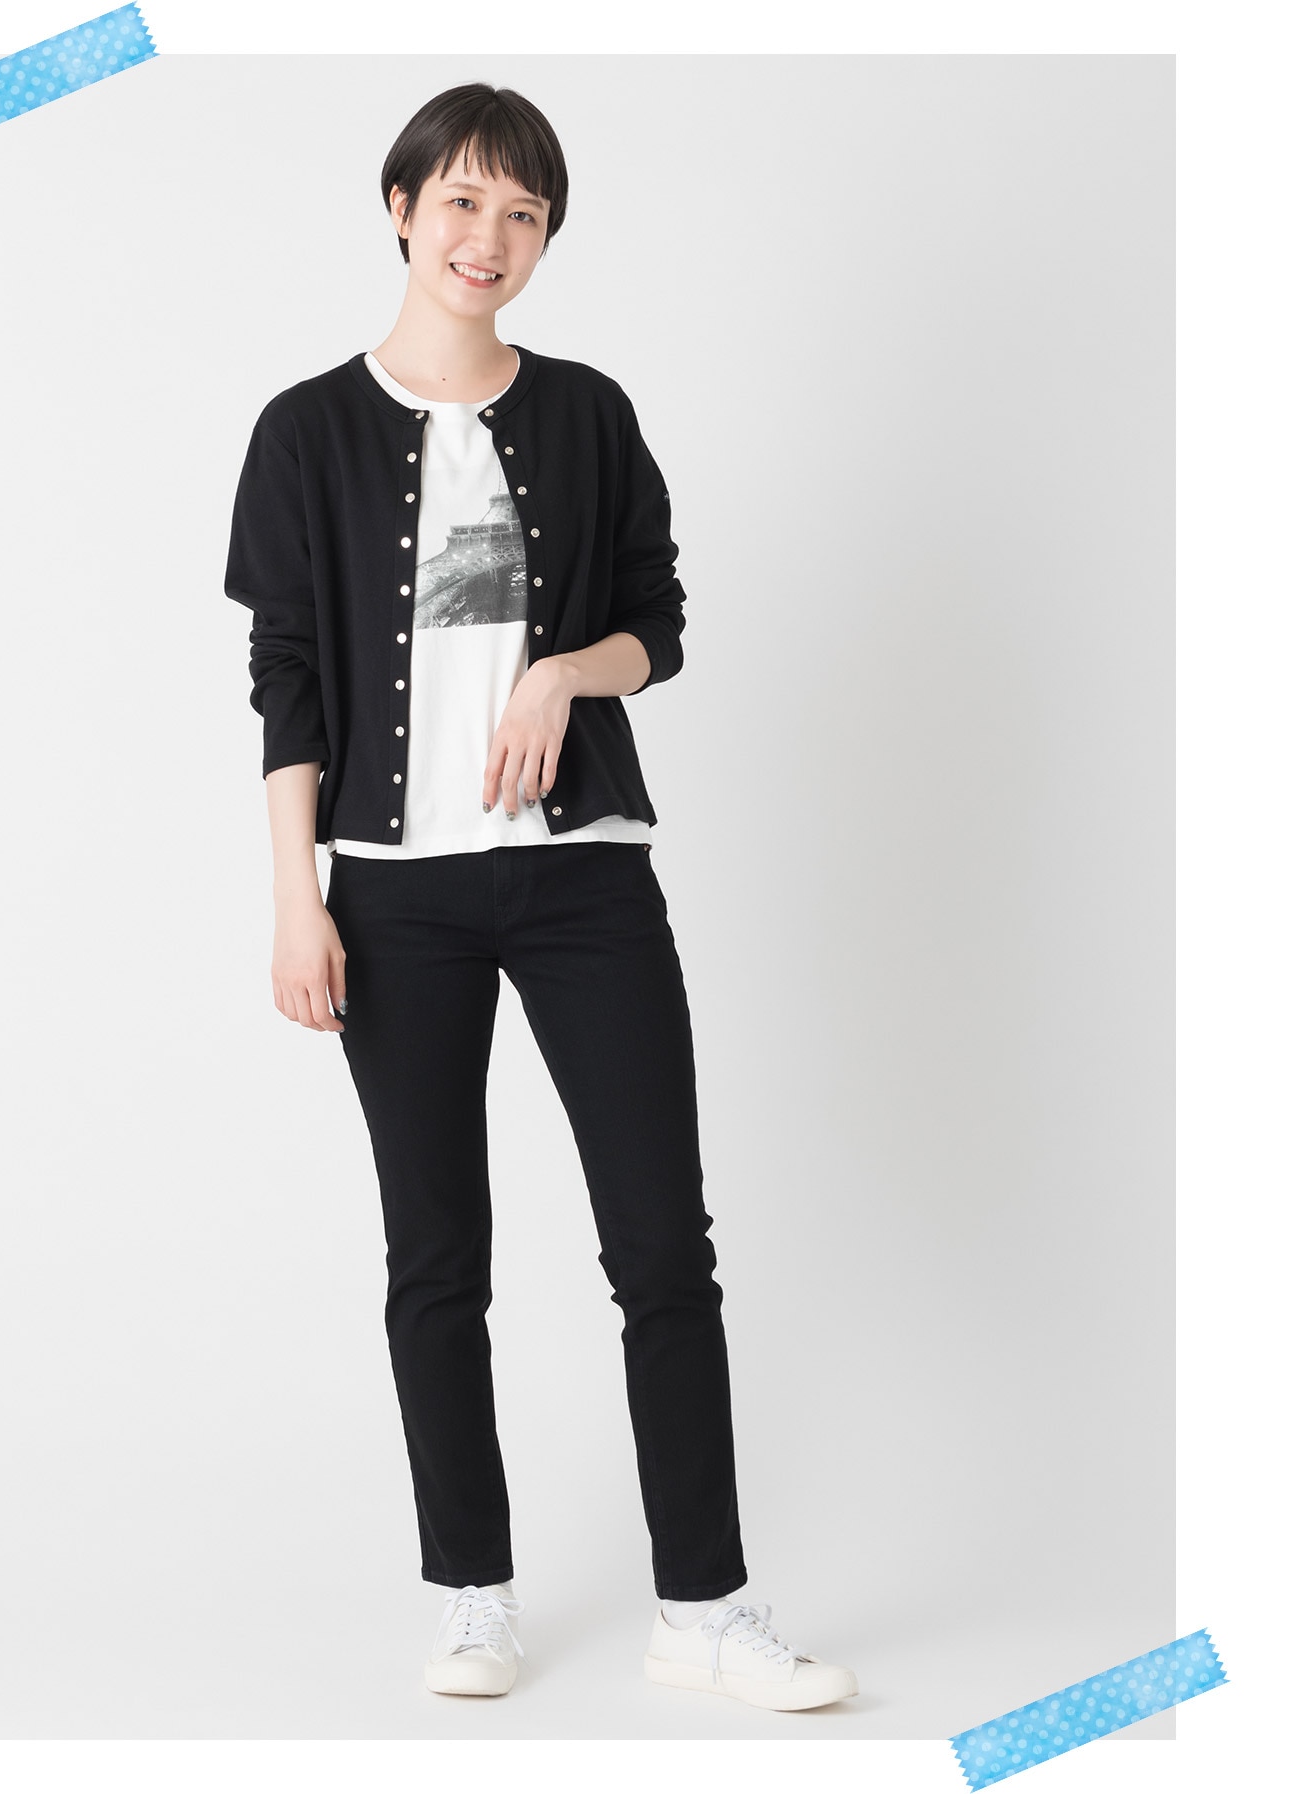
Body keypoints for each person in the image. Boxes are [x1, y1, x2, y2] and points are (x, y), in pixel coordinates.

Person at [224, 81, 858, 1712]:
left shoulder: (584, 412)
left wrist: (568, 672)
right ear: (400, 209)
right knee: (437, 1252)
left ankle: (704, 1604)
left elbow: (660, 621)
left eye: (523, 212)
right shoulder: (305, 430)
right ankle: (471, 1592)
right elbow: (288, 678)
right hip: (394, 897)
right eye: (461, 201)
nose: (488, 237)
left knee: (663, 1245)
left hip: (584, 882)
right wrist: (298, 896)